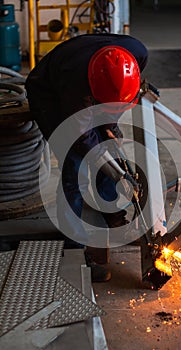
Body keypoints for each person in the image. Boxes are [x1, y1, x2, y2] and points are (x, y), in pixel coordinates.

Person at [25, 33, 148, 282]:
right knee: (75, 164)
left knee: (108, 145)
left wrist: (109, 127)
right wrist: (113, 167)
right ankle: (74, 246)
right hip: (48, 92)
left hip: (90, 85)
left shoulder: (137, 52)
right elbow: (81, 137)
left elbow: (115, 97)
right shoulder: (75, 86)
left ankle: (112, 215)